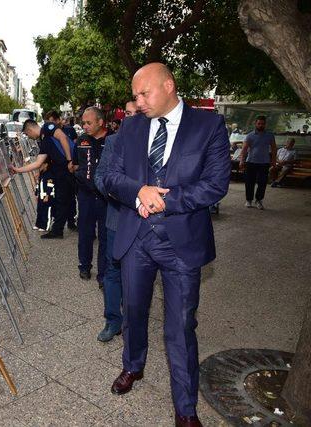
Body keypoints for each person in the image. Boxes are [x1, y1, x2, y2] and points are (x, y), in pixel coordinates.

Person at [104, 63, 229, 427]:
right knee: (134, 312)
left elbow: (216, 184)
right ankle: (133, 366)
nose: (137, 101)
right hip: (136, 239)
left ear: (169, 85)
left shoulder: (208, 126)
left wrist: (167, 200)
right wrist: (137, 191)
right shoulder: (130, 127)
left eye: (144, 94)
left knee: (180, 326)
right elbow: (109, 176)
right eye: (136, 95)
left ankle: (186, 408)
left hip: (182, 243)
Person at [93, 100, 139, 342]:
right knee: (113, 270)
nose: (130, 118)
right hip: (116, 218)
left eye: (135, 113)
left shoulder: (154, 143)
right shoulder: (112, 142)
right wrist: (111, 191)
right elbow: (100, 176)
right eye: (127, 114)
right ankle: (113, 320)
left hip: (143, 221)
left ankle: (135, 322)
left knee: (138, 273)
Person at [11, 119, 74, 239]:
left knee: (64, 199)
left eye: (27, 134)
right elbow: (37, 163)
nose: (29, 137)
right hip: (62, 172)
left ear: (29, 129)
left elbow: (63, 138)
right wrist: (18, 170)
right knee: (65, 198)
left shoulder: (47, 127)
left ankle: (59, 230)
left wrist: (69, 160)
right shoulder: (44, 141)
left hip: (67, 169)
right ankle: (61, 228)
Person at [73, 107, 108, 283]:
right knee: (85, 233)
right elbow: (73, 164)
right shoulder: (80, 141)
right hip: (85, 195)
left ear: (100, 122)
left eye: (89, 123)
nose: (85, 126)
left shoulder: (112, 140)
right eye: (83, 123)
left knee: (105, 236)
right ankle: (84, 267)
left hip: (106, 198)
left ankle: (103, 275)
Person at [46, 110, 77, 230]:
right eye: (48, 122)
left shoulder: (68, 130)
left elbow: (74, 146)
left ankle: (71, 222)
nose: (50, 124)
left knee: (70, 197)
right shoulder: (50, 133)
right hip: (58, 168)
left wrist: (72, 162)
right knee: (61, 197)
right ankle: (59, 224)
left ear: (58, 120)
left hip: (69, 167)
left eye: (52, 121)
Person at [239, 116, 276, 210]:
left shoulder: (270, 135)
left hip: (264, 163)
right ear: (255, 124)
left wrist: (274, 161)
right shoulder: (250, 135)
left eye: (262, 123)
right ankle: (249, 200)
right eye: (259, 123)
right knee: (249, 183)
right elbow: (244, 149)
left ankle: (259, 200)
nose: (260, 125)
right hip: (251, 162)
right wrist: (242, 160)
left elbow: (274, 149)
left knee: (262, 183)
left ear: (265, 124)